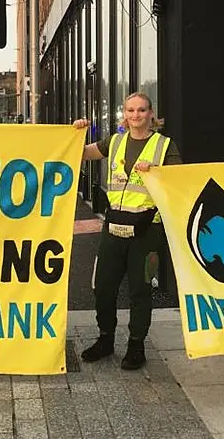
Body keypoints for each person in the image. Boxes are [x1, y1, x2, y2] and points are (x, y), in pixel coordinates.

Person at [72, 92, 181, 370]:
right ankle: (105, 338)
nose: (136, 115)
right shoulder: (115, 141)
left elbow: (179, 181)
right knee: (104, 287)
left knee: (140, 289)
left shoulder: (164, 146)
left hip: (147, 231)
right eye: (131, 110)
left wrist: (156, 171)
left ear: (151, 114)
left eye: (142, 110)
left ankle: (136, 345)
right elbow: (82, 154)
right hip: (114, 227)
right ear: (124, 113)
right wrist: (76, 133)